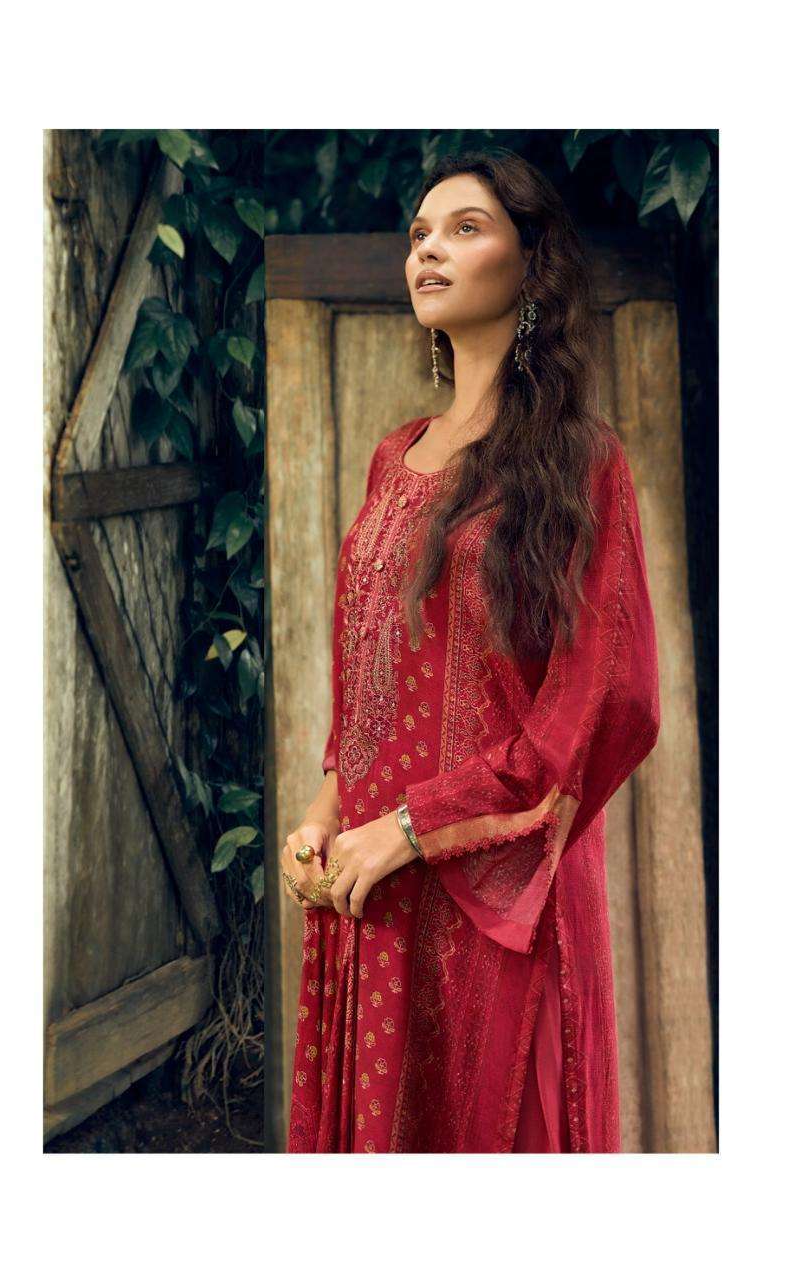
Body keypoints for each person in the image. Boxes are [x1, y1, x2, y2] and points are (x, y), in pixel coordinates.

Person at [279, 148, 660, 1153]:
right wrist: (325, 814)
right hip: (370, 884)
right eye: (418, 235)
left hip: (494, 899)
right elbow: (370, 666)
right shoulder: (392, 454)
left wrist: (411, 828)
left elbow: (606, 700)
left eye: (464, 228)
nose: (428, 251)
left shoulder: (580, 461)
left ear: (530, 264)